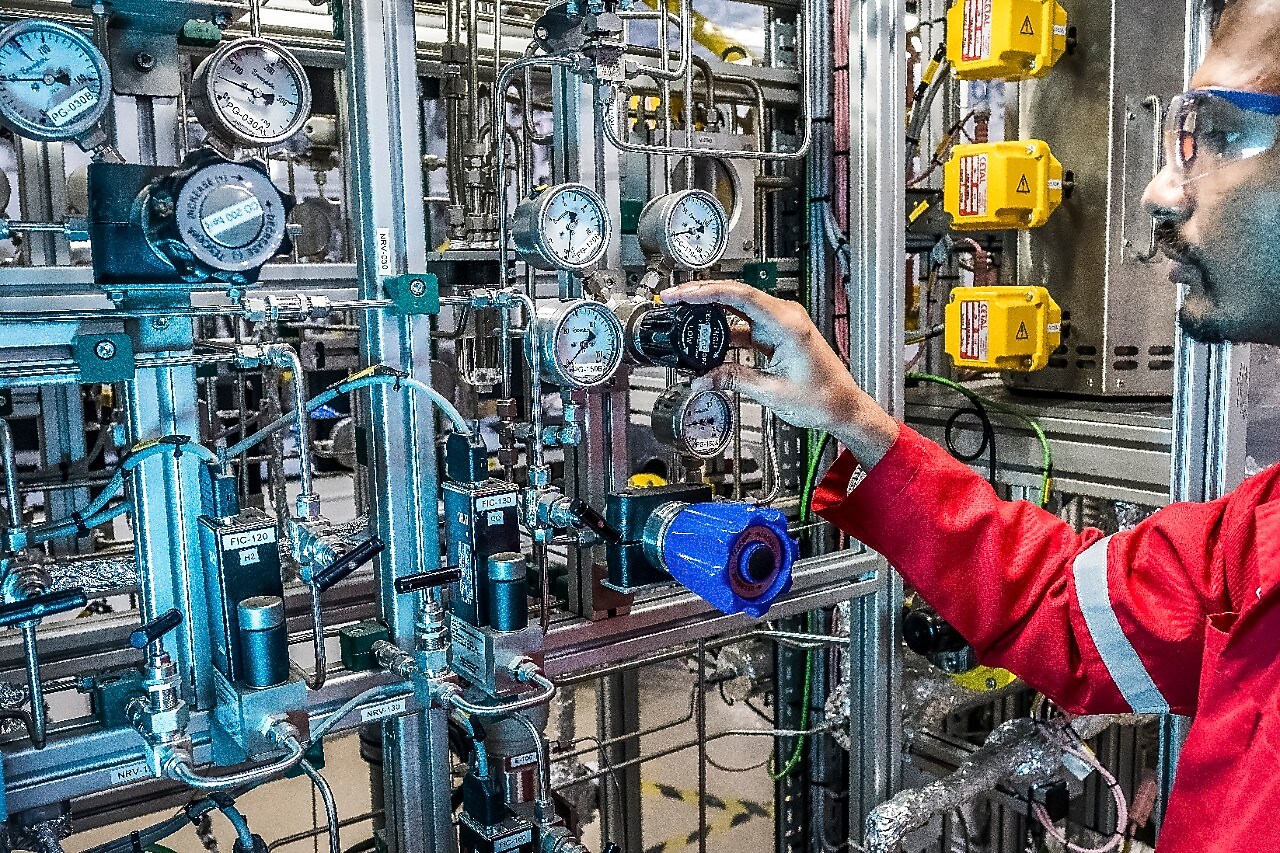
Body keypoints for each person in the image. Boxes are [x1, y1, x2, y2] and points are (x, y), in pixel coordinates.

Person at [661, 1, 1280, 850]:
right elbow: (1067, 608)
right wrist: (855, 420)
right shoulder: (1261, 530)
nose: (1160, 190)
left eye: (1218, 133)